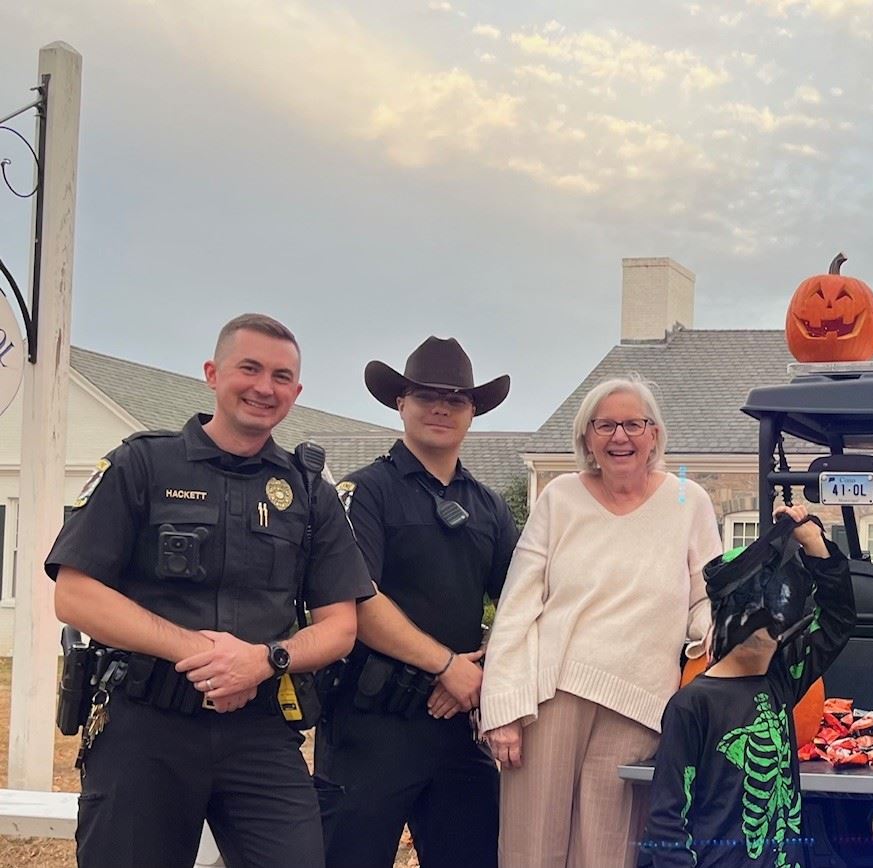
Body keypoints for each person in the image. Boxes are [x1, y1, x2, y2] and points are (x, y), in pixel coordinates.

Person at [46, 313, 373, 868]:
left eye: (280, 376)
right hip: (145, 725)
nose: (263, 388)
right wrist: (199, 651)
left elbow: (342, 625)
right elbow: (75, 595)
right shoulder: (142, 464)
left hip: (259, 731)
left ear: (296, 392)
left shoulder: (308, 492)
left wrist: (266, 660)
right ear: (212, 374)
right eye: (249, 368)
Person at [481, 377, 723, 867]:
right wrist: (503, 707)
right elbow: (517, 606)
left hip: (639, 703)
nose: (620, 437)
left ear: (654, 434)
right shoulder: (560, 498)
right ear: (587, 437)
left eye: (634, 424)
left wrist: (719, 634)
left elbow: (705, 599)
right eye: (606, 425)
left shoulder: (687, 500)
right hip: (551, 698)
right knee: (533, 851)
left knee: (609, 853)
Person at [316, 337, 518, 867]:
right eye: (426, 395)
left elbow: (524, 599)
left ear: (473, 412)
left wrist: (480, 671)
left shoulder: (489, 507)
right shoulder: (364, 493)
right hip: (368, 729)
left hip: (456, 728)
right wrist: (447, 665)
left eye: (456, 399)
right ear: (400, 403)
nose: (441, 408)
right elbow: (357, 600)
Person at [641, 504, 856, 867]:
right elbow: (667, 821)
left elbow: (837, 617)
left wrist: (812, 541)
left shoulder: (781, 679)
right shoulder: (691, 706)